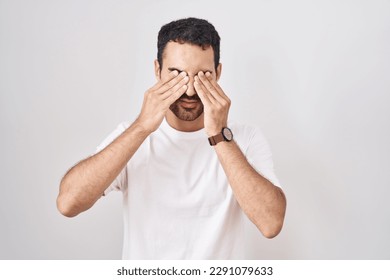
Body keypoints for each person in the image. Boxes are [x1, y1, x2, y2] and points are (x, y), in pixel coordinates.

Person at [57, 17, 286, 259]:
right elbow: (68, 203)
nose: (188, 90)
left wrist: (219, 134)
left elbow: (270, 224)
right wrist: (141, 127)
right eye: (177, 75)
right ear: (158, 70)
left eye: (202, 76)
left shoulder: (244, 138)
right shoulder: (134, 135)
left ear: (218, 73)